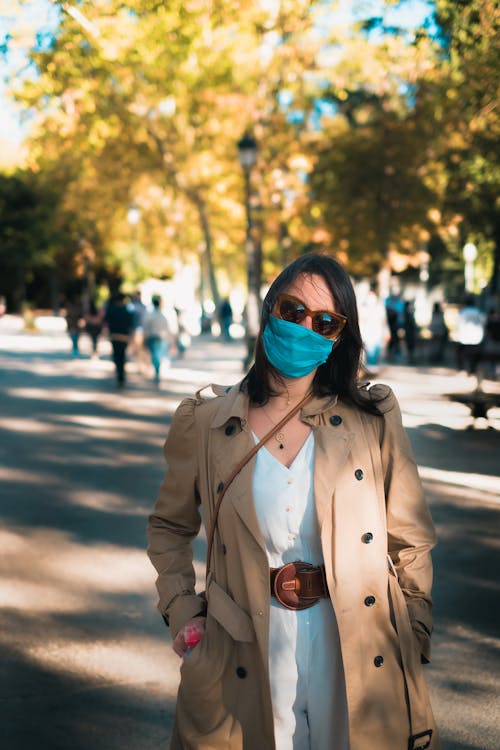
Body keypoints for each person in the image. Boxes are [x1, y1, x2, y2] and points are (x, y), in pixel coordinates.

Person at [147, 253, 440, 750]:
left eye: (324, 321)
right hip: (246, 646)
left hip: (356, 649)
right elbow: (170, 527)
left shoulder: (373, 418)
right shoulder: (205, 421)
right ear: (269, 311)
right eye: (292, 310)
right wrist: (183, 610)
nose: (305, 326)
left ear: (337, 338)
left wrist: (413, 632)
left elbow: (408, 537)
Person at [104, 292, 134, 387]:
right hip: (124, 337)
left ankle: (119, 374)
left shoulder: (111, 309)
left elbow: (106, 321)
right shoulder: (127, 311)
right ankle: (121, 375)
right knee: (122, 356)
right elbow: (131, 324)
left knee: (117, 355)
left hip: (114, 336)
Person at [143, 295, 173, 384]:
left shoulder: (150, 315)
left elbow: (145, 328)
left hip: (153, 338)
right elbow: (167, 329)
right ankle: (157, 372)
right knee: (157, 356)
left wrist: (145, 338)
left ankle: (157, 372)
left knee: (155, 356)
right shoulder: (162, 316)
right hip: (159, 338)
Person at [454, 295, 486, 374]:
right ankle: (473, 370)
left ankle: (462, 369)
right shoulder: (478, 311)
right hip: (476, 336)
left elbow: (458, 323)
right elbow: (483, 322)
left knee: (461, 353)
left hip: (464, 337)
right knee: (475, 354)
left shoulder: (463, 311)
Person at [403, 300, 418, 365]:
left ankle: (410, 357)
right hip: (409, 331)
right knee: (410, 345)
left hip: (409, 331)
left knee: (411, 345)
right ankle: (410, 358)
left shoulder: (408, 313)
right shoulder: (406, 314)